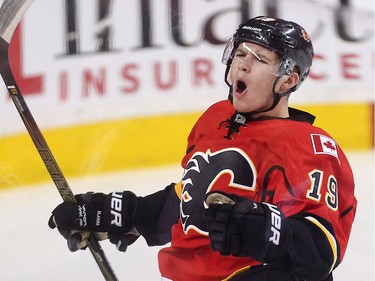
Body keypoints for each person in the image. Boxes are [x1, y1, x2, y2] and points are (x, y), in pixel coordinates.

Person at [49, 16, 357, 281]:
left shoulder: (310, 146)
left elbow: (321, 249)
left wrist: (270, 233)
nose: (244, 65)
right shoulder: (215, 118)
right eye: (240, 54)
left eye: (260, 59)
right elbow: (191, 203)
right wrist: (132, 215)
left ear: (288, 80)